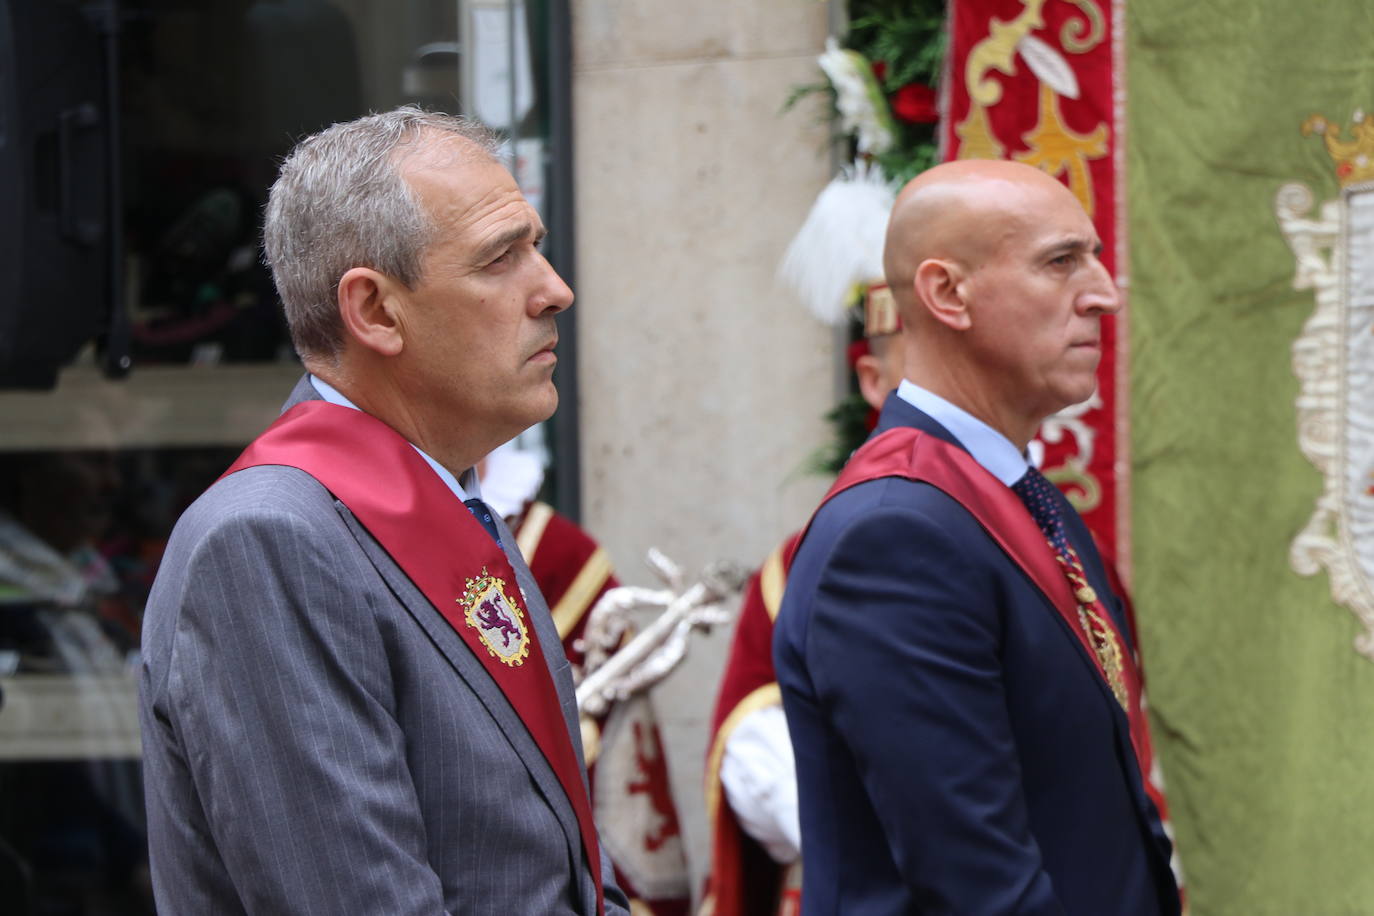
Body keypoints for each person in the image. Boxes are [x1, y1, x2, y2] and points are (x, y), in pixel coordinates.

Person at [138, 108, 629, 915]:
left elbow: (562, 869)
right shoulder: (268, 541)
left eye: (536, 246)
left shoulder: (452, 502)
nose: (554, 289)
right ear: (373, 311)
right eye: (501, 258)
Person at [773, 159, 1180, 915]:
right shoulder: (895, 534)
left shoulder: (1014, 496)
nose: (1104, 293)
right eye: (1061, 262)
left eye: (1093, 257)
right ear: (946, 293)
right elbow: (977, 884)